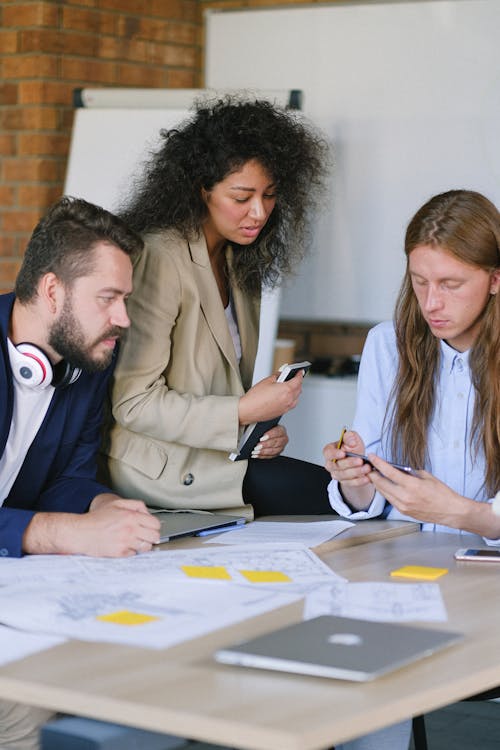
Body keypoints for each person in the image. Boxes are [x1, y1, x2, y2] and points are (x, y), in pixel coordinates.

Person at [323, 188, 500, 750]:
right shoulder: (388, 345)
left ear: (495, 279)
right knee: (352, 662)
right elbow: (367, 495)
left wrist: (466, 514)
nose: (431, 302)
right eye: (419, 281)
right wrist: (354, 481)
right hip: (410, 569)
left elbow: (468, 515)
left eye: (451, 284)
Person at [101, 96, 334, 518]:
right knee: (339, 496)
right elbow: (133, 404)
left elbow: (220, 393)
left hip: (215, 459)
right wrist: (242, 411)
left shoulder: (239, 260)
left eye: (270, 195)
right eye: (242, 196)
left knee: (348, 495)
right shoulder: (160, 257)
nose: (260, 212)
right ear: (201, 190)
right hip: (158, 469)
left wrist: (257, 431)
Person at [0, 196, 161, 560]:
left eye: (125, 299)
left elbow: (68, 480)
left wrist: (103, 505)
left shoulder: (88, 357)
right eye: (108, 298)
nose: (123, 318)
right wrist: (63, 534)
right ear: (53, 291)